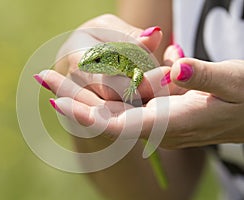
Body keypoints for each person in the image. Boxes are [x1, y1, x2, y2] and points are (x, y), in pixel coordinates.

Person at [34, 0, 244, 199]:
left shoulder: (123, 62)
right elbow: (161, 193)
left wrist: (132, 90)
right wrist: (93, 105)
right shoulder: (116, 57)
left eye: (97, 60)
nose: (92, 63)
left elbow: (136, 74)